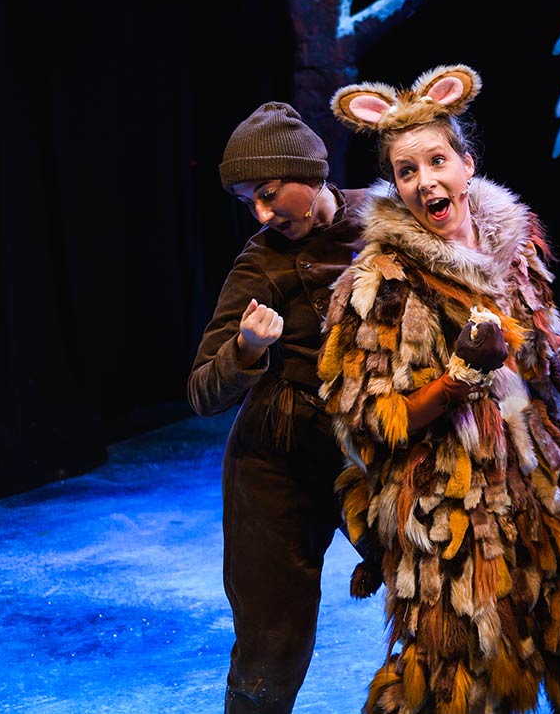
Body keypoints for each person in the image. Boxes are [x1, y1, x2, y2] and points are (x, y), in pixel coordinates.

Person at [320, 64, 560, 714]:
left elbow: (539, 345)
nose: (425, 181)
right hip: (453, 510)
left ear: (466, 166)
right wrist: (457, 380)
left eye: (437, 160)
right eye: (406, 171)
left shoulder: (512, 249)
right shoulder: (382, 280)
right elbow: (366, 419)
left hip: (540, 483)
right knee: (462, 676)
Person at [187, 101, 369, 713]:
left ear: (311, 175)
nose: (262, 214)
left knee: (440, 594)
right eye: (248, 203)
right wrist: (246, 348)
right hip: (276, 465)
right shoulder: (259, 262)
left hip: (370, 452)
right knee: (270, 646)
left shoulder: (383, 220)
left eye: (268, 193)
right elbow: (201, 390)